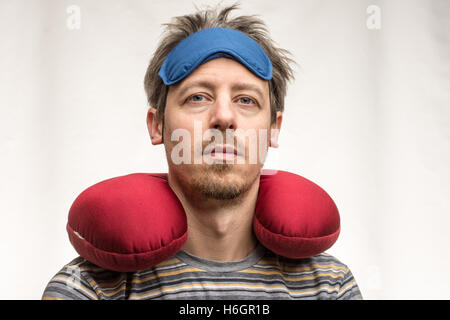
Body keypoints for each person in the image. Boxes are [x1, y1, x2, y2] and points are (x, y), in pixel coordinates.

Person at [42, 2, 362, 300]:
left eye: (246, 100)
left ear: (273, 129)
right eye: (198, 97)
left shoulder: (330, 285)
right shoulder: (87, 287)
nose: (223, 117)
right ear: (158, 125)